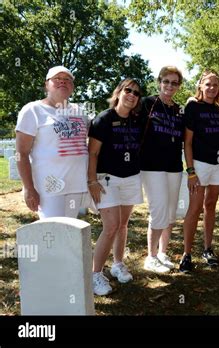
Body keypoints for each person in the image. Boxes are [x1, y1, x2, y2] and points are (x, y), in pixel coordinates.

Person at [88, 78, 143, 296]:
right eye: (128, 90)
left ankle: (117, 264)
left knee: (122, 225)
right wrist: (92, 181)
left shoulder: (137, 120)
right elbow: (92, 153)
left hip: (130, 177)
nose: (132, 95)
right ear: (119, 92)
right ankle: (95, 274)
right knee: (110, 227)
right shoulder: (104, 118)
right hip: (106, 179)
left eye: (136, 93)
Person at [15, 66, 89, 219]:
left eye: (67, 80)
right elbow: (21, 153)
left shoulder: (79, 111)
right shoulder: (33, 110)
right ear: (46, 84)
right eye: (57, 79)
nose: (62, 82)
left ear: (73, 87)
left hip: (76, 185)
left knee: (69, 230)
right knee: (54, 233)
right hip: (49, 186)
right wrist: (28, 188)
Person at [179, 69, 219, 273]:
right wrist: (191, 171)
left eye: (215, 85)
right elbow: (187, 142)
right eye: (208, 84)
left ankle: (207, 249)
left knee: (210, 205)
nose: (212, 88)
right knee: (195, 208)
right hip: (199, 164)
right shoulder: (193, 107)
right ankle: (186, 254)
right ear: (200, 86)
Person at [140, 66, 185, 273]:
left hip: (174, 167)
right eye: (166, 81)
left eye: (174, 83)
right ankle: (150, 256)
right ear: (159, 82)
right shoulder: (147, 104)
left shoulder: (179, 109)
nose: (169, 86)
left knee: (170, 212)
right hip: (151, 167)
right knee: (158, 210)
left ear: (179, 86)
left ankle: (162, 253)